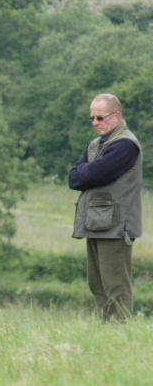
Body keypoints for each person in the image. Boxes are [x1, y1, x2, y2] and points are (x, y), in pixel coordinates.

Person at [69, 93, 142, 321]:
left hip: (116, 225)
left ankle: (120, 332)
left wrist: (88, 172)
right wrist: (88, 172)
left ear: (117, 116)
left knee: (116, 285)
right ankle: (106, 328)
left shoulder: (126, 145)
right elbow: (74, 179)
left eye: (100, 118)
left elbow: (96, 173)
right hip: (96, 222)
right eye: (92, 118)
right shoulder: (95, 145)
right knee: (98, 282)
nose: (95, 123)